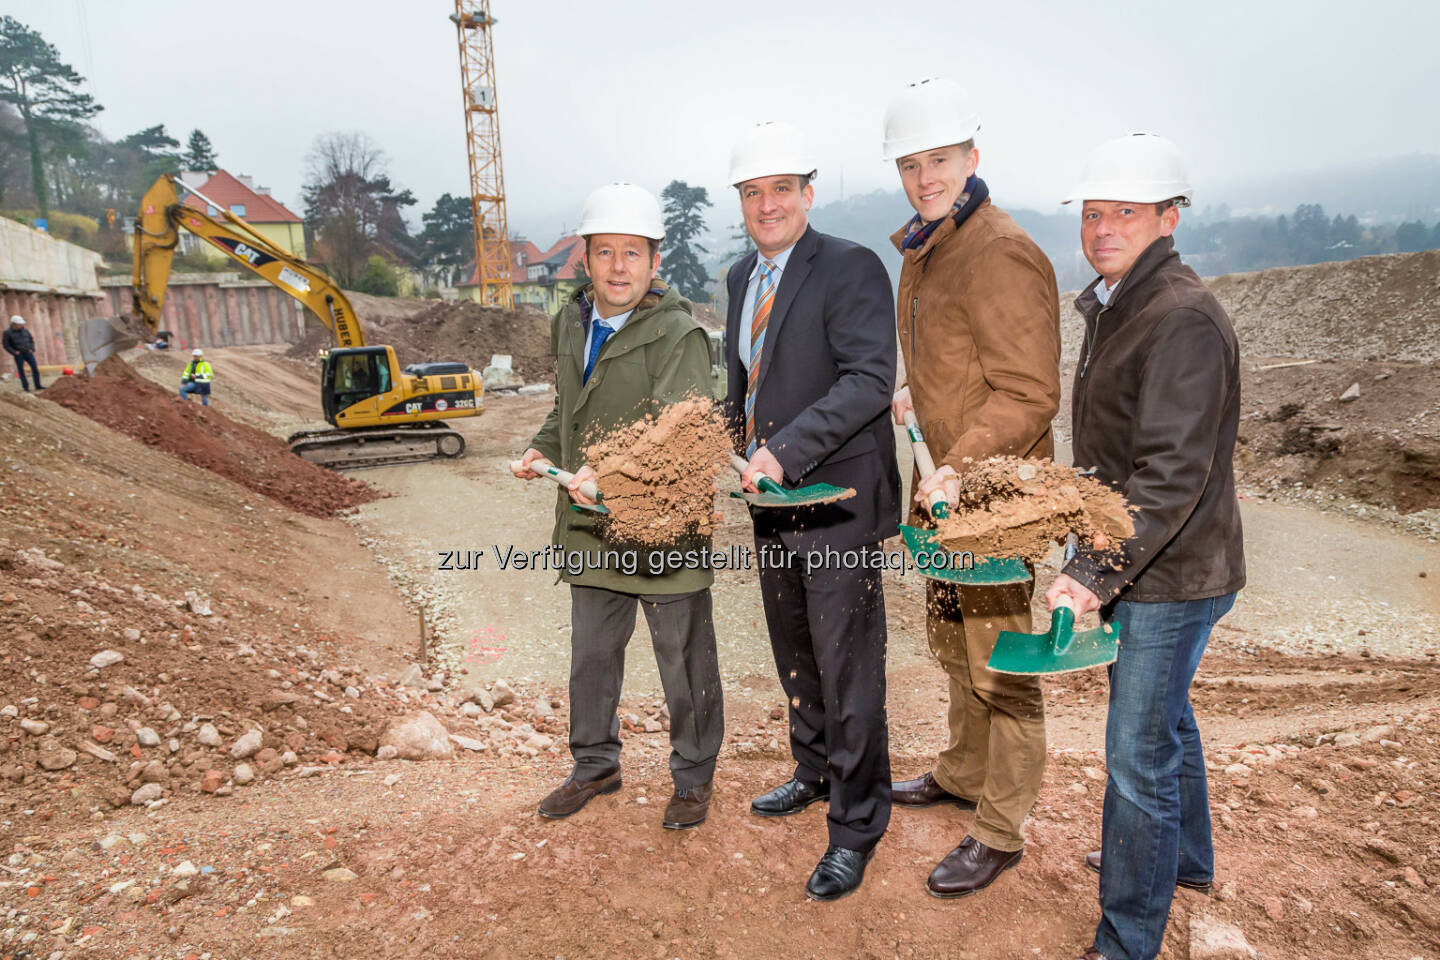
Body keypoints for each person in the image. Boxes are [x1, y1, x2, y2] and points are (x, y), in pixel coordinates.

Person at [1049, 133, 1245, 960]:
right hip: (1156, 559)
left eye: (1124, 212)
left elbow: (1168, 475)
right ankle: (1186, 861)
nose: (1102, 227)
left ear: (1168, 218)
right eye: (1094, 213)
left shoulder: (1182, 319)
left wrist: (1091, 572)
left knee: (1136, 753)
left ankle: (1128, 937)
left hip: (1169, 572)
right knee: (1167, 720)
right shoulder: (1119, 302)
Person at [881, 78, 1062, 898]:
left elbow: (1028, 393)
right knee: (954, 642)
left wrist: (963, 460)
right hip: (947, 496)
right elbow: (964, 361)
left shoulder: (999, 249)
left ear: (973, 158)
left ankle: (1001, 828)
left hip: (995, 498)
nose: (926, 177)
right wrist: (922, 390)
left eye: (941, 160)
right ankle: (961, 772)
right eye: (912, 164)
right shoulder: (930, 246)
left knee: (1002, 664)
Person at [723, 121, 901, 902]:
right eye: (753, 193)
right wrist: (725, 439)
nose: (768, 205)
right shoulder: (739, 278)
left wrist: (786, 450)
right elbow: (746, 378)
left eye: (782, 190)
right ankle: (812, 770)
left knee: (847, 663)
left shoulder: (851, 267)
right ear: (742, 201)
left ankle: (857, 823)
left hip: (835, 498)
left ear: (808, 193)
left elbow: (868, 379)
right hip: (771, 499)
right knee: (794, 646)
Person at [512, 183, 724, 831]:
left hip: (662, 526)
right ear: (586, 258)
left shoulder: (679, 336)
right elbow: (566, 411)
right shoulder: (572, 324)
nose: (619, 267)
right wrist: (538, 448)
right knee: (592, 657)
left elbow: (679, 435)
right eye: (605, 252)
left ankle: (692, 778)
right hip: (591, 527)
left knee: (682, 661)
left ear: (656, 261)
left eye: (633, 253)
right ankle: (595, 764)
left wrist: (606, 473)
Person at [3, 316, 42, 392]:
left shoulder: (25, 331)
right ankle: (26, 387)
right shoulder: (7, 333)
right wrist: (14, 352)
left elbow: (31, 340)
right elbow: (6, 345)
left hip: (28, 352)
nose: (22, 325)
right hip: (19, 354)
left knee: (35, 368)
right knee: (21, 371)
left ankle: (38, 385)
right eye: (20, 324)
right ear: (14, 324)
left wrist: (32, 348)